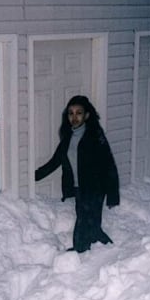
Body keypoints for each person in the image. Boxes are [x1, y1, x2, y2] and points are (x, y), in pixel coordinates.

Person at [35, 95, 120, 252]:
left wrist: (112, 193)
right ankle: (106, 247)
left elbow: (109, 164)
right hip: (78, 188)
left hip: (95, 187)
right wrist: (33, 176)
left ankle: (80, 249)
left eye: (79, 113)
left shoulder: (95, 136)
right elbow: (55, 161)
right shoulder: (68, 137)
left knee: (83, 220)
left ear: (87, 115)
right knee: (91, 222)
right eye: (71, 113)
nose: (74, 117)